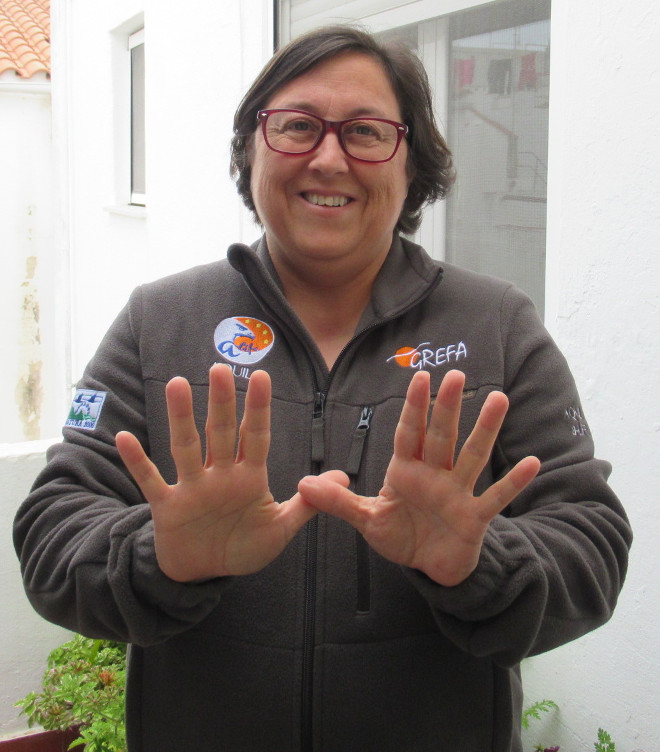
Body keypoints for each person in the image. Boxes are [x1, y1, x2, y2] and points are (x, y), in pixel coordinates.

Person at [14, 25, 632, 752]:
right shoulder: (159, 323)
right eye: (298, 127)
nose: (329, 158)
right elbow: (51, 530)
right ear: (250, 150)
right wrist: (162, 556)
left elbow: (592, 540)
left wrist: (478, 565)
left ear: (414, 166)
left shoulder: (497, 326)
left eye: (366, 132)